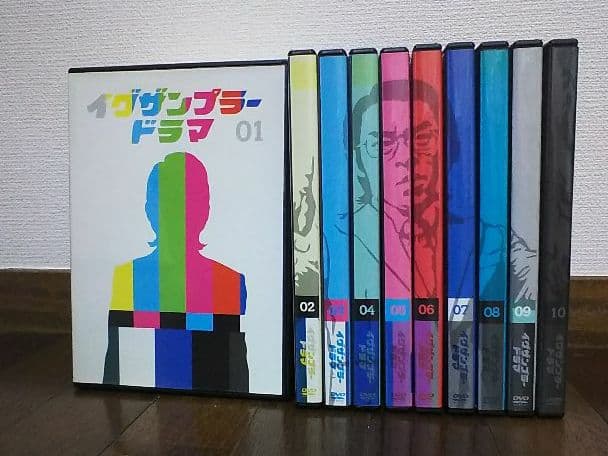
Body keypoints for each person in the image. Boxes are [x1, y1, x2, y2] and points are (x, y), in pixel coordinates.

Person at [103, 152, 249, 393]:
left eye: (187, 203)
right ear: (206, 211)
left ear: (149, 211)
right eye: (171, 203)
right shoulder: (229, 282)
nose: (180, 214)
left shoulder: (128, 277)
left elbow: (115, 372)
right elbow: (235, 380)